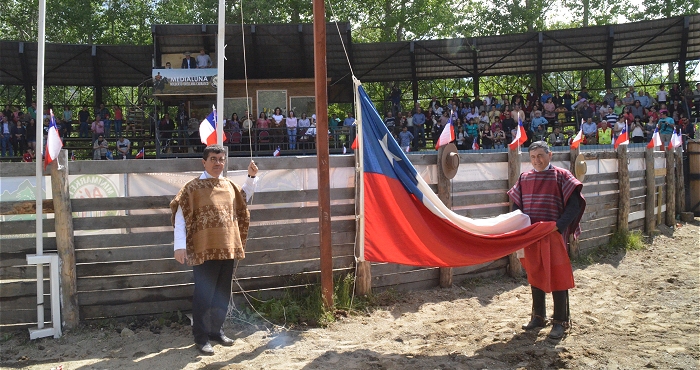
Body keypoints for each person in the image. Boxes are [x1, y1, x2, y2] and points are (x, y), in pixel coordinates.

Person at [171, 145, 258, 355]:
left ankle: (216, 331)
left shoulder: (228, 185)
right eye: (213, 159)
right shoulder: (191, 188)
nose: (218, 163)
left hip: (226, 248)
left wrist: (251, 177)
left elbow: (244, 197)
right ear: (204, 162)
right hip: (203, 249)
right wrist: (179, 246)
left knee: (222, 293)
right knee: (204, 294)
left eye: (221, 159)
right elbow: (180, 217)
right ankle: (200, 338)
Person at [508, 141, 585, 339]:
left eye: (540, 156)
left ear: (550, 155)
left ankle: (560, 320)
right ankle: (538, 316)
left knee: (558, 275)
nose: (537, 160)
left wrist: (559, 226)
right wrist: (520, 226)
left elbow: (574, 204)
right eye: (533, 157)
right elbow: (516, 205)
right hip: (532, 235)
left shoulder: (562, 175)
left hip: (553, 235)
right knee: (535, 272)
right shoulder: (524, 178)